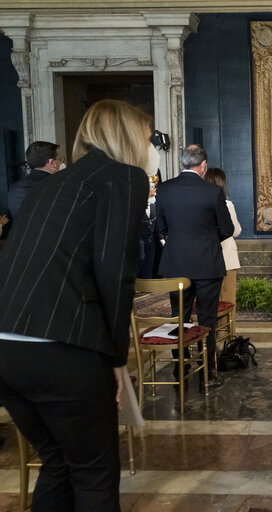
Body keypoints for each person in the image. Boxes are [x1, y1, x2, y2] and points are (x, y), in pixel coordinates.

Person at [0, 99, 151, 511]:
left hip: (7, 349)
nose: (150, 145)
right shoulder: (123, 177)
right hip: (60, 345)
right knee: (94, 473)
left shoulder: (53, 183)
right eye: (146, 136)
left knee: (59, 464)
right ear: (128, 138)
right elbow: (114, 269)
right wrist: (118, 358)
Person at [156, 144, 235, 390]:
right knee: (206, 319)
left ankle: (181, 369)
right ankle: (208, 374)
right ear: (203, 166)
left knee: (178, 317)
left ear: (183, 163)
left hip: (176, 265)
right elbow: (228, 230)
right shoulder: (212, 192)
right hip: (208, 264)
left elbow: (160, 228)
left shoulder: (164, 189)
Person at [204, 167, 242, 306]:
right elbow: (236, 231)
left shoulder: (201, 203)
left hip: (206, 256)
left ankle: (210, 327)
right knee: (227, 299)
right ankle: (225, 328)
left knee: (209, 300)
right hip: (226, 257)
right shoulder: (227, 204)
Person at [7, 141, 64, 219]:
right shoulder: (57, 186)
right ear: (52, 163)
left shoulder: (14, 188)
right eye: (60, 159)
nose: (62, 163)